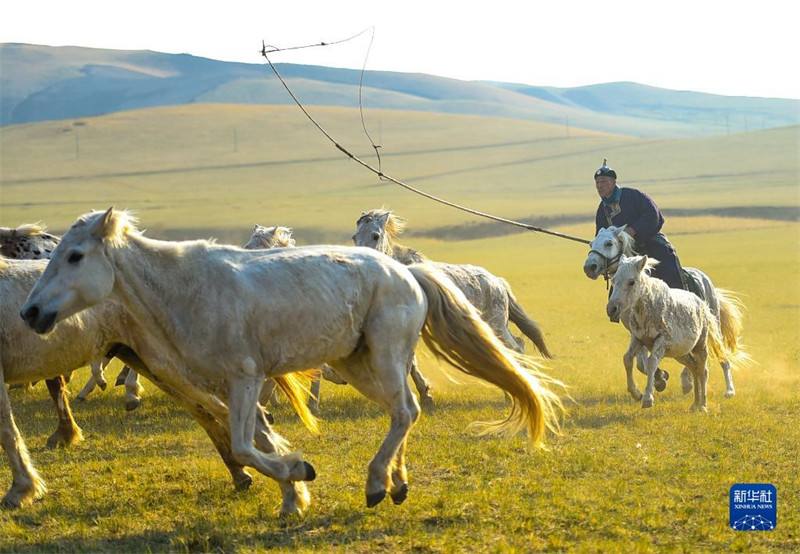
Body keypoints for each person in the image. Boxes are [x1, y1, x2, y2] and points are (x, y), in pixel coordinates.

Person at [594, 159, 687, 290]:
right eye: (597, 182)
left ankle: (683, 295)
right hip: (625, 255)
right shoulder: (602, 210)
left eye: (603, 181)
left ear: (614, 182)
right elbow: (601, 233)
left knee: (667, 263)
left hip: (649, 243)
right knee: (617, 292)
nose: (599, 186)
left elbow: (652, 213)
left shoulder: (633, 195)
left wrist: (634, 229)